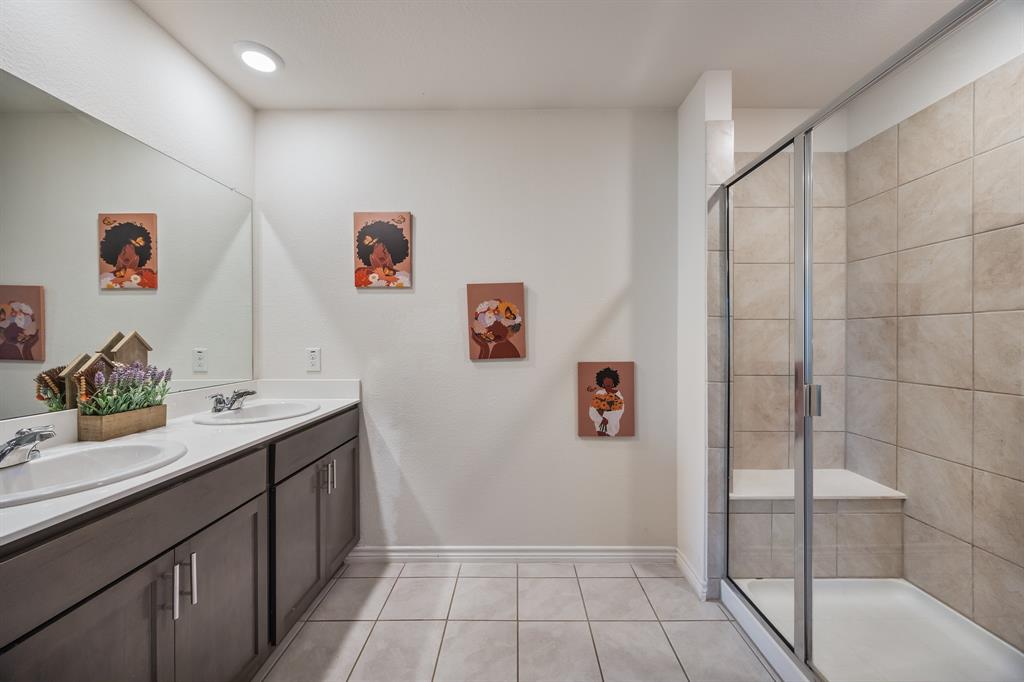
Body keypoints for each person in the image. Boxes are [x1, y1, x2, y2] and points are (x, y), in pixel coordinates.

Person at [99, 221, 156, 289]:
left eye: (131, 248)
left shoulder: (147, 274)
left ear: (139, 252)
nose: (125, 253)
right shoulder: (105, 277)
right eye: (122, 249)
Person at [354, 220, 410, 287]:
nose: (381, 255)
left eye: (384, 251)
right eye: (374, 249)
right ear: (369, 255)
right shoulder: (361, 273)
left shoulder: (404, 276)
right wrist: (384, 277)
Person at [587, 367, 625, 436]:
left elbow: (619, 411)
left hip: (612, 427)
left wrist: (606, 418)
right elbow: (592, 409)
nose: (608, 383)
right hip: (599, 425)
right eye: (605, 381)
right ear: (602, 383)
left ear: (613, 382)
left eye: (609, 382)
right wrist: (601, 419)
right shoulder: (599, 393)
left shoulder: (618, 396)